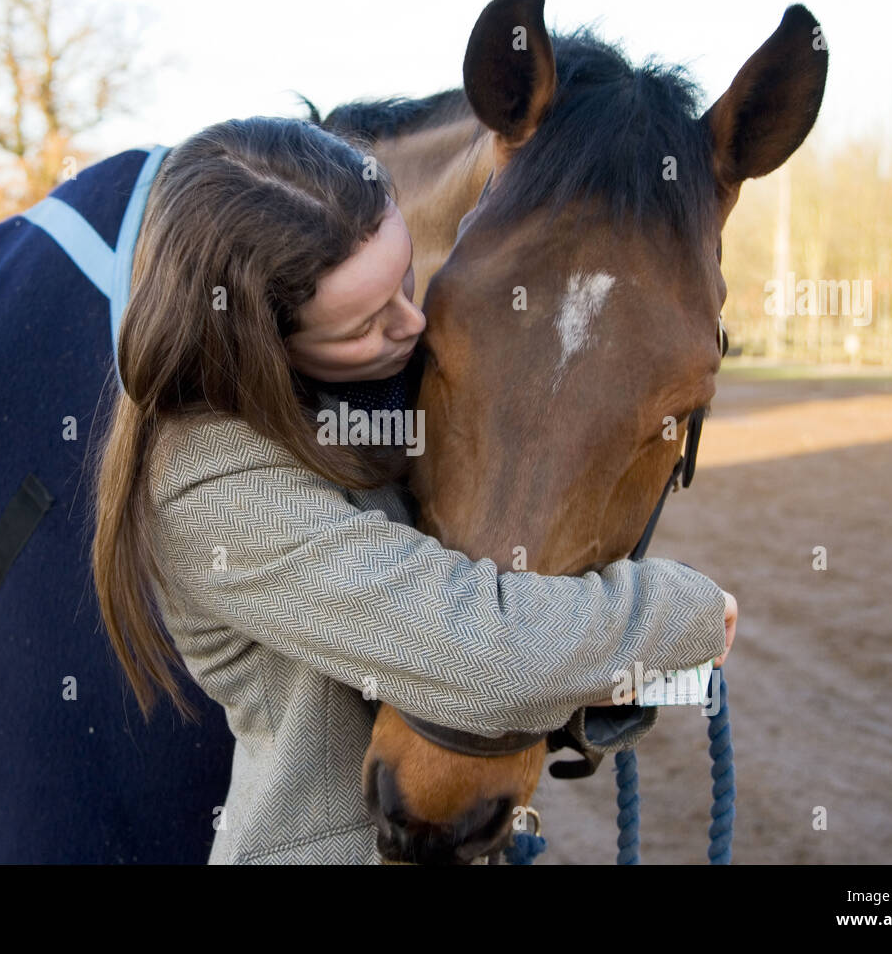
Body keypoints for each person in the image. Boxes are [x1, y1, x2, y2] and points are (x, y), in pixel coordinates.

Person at [91, 115, 737, 864]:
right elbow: (476, 651)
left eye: (408, 280)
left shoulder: (363, 399)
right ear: (263, 340)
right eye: (365, 321)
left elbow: (498, 571)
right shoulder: (210, 490)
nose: (413, 323)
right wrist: (680, 617)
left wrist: (664, 678)